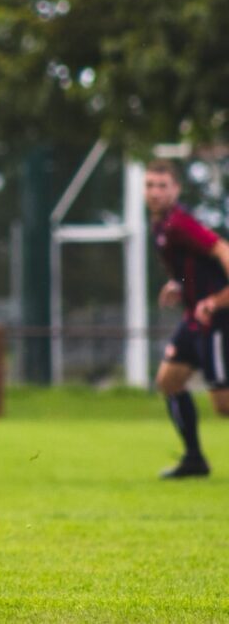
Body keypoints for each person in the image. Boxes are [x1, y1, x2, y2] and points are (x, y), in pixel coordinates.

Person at [145, 159, 229, 478]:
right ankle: (194, 459)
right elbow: (195, 266)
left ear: (176, 190)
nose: (155, 192)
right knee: (169, 381)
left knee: (223, 406)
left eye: (162, 186)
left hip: (217, 320)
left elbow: (222, 250)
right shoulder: (161, 225)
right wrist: (178, 284)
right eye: (150, 185)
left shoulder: (181, 223)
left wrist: (216, 301)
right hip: (194, 319)